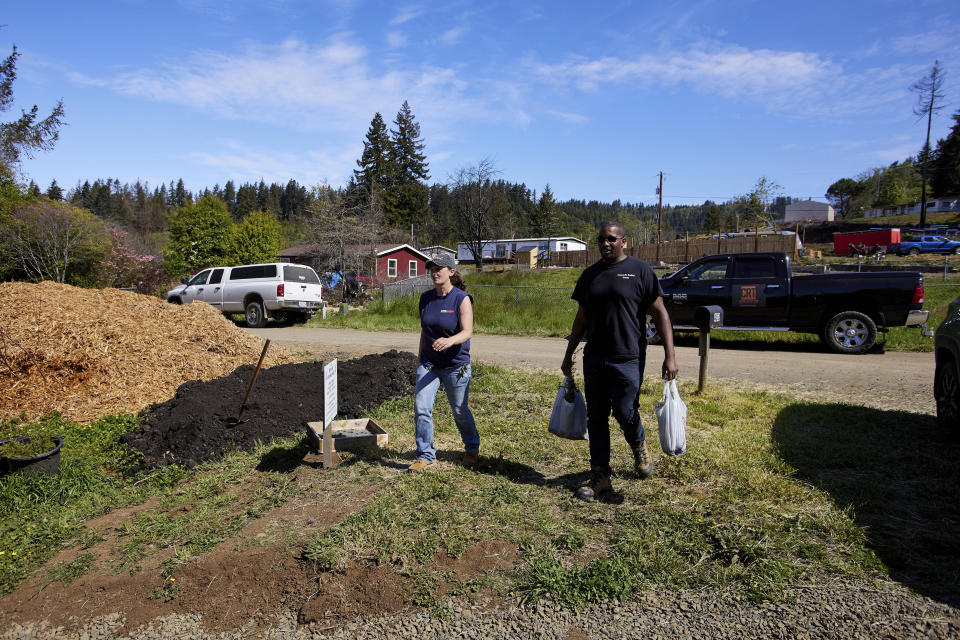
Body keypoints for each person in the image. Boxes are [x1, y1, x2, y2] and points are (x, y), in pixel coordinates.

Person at [560, 221, 678, 500]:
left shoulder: (640, 271)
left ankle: (638, 444)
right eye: (601, 239)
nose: (605, 244)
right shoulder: (590, 276)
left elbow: (660, 313)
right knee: (596, 416)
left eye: (611, 239)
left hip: (628, 357)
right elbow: (581, 319)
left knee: (625, 411)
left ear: (624, 241)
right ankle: (601, 476)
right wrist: (569, 354)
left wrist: (670, 355)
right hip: (595, 358)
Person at [409, 254, 480, 471]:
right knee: (421, 408)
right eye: (432, 269)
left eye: (439, 268)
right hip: (429, 365)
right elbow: (425, 331)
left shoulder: (461, 298)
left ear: (451, 271)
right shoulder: (426, 298)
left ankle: (471, 446)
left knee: (459, 409)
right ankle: (426, 454)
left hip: (455, 366)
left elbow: (468, 332)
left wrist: (450, 341)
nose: (435, 272)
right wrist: (420, 359)